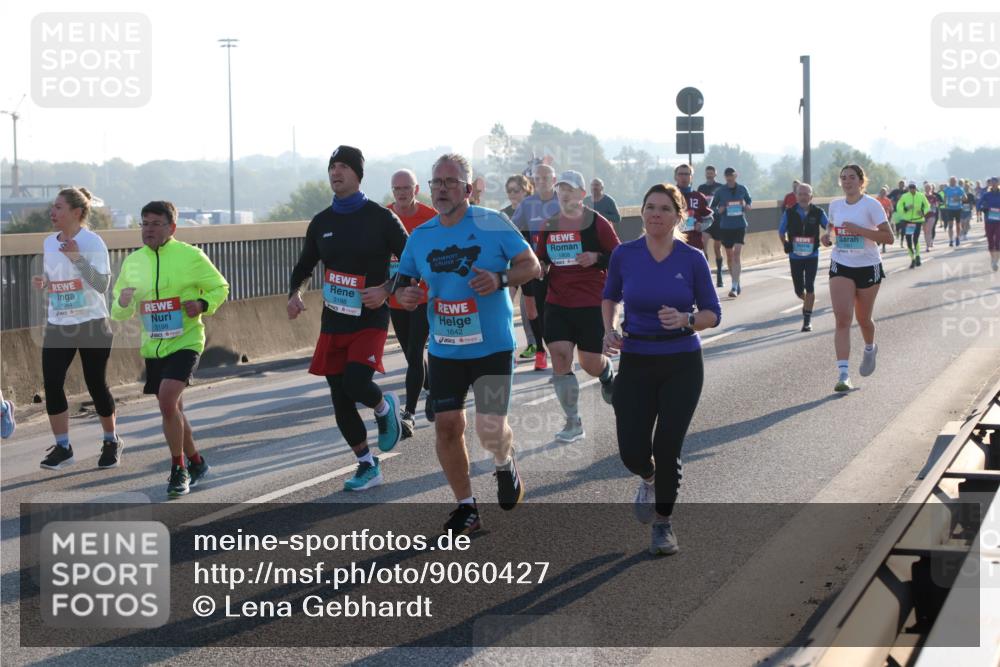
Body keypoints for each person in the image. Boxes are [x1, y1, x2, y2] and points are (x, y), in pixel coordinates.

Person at [393, 153, 541, 534]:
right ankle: (466, 507)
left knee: (489, 429)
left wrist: (500, 279)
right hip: (445, 348)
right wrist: (406, 296)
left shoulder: (493, 223)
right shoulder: (421, 236)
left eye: (450, 182)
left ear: (468, 189)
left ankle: (504, 461)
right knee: (447, 426)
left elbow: (532, 266)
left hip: (492, 348)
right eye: (436, 183)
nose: (442, 189)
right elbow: (403, 283)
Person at [602, 183, 721, 556]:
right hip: (636, 359)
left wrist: (687, 319)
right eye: (650, 207)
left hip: (682, 362)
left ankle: (663, 523)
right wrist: (609, 329)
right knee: (632, 452)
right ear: (642, 213)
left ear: (678, 216)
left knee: (667, 447)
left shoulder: (692, 258)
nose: (656, 213)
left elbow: (713, 313)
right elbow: (610, 296)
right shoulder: (625, 254)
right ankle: (649, 477)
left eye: (665, 208)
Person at [287, 145, 409, 493]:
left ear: (358, 174)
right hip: (334, 320)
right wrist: (295, 293)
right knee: (339, 397)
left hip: (370, 317)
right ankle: (367, 464)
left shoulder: (381, 218)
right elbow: (304, 265)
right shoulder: (322, 222)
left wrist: (386, 289)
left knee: (356, 384)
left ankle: (384, 408)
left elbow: (411, 258)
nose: (335, 172)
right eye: (332, 167)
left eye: (343, 166)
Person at [111, 200, 229, 496]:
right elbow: (119, 311)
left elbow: (220, 287)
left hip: (186, 341)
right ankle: (197, 462)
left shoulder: (190, 256)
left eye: (156, 224)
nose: (148, 229)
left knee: (166, 401)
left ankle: (179, 469)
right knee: (173, 409)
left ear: (172, 227)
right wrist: (122, 302)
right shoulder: (133, 262)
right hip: (154, 347)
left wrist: (202, 303)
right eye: (144, 224)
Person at [32, 187, 122, 471]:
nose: (52, 212)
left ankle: (111, 440)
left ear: (77, 212)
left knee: (96, 384)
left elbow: (102, 284)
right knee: (52, 384)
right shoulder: (49, 243)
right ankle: (63, 447)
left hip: (91, 323)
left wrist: (77, 258)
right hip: (59, 323)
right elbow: (60, 278)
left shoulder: (92, 242)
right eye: (53, 207)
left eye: (59, 207)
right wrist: (46, 282)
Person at [534, 170, 620, 442]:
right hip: (558, 302)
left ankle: (606, 374)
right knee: (560, 357)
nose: (564, 194)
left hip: (591, 302)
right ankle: (573, 422)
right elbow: (541, 259)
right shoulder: (550, 224)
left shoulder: (598, 223)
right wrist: (540, 267)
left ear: (582, 194)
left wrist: (597, 257)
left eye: (570, 190)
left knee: (590, 363)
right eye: (561, 189)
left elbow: (619, 257)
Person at [821, 165, 893, 392]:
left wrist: (859, 230)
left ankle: (870, 348)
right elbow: (831, 225)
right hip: (841, 263)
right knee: (842, 318)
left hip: (868, 266)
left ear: (861, 181)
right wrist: (826, 236)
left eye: (852, 177)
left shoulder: (872, 205)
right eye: (843, 178)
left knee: (863, 319)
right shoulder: (835, 205)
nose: (847, 181)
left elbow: (888, 237)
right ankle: (843, 375)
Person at [387, 169, 438, 433]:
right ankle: (432, 389)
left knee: (416, 351)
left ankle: (409, 413)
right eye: (397, 189)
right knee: (409, 354)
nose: (401, 193)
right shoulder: (385, 217)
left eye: (406, 188)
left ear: (416, 190)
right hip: (395, 297)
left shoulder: (430, 217)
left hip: (422, 295)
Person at [511, 163, 562, 371]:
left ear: (554, 180)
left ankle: (560, 349)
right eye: (538, 179)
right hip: (536, 263)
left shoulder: (563, 201)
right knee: (534, 309)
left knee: (557, 309)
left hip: (560, 264)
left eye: (546, 178)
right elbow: (513, 231)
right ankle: (540, 351)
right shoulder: (527, 204)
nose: (542, 182)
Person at [778, 183, 828, 332]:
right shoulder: (789, 212)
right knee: (799, 291)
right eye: (800, 194)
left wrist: (827, 236)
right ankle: (808, 301)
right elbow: (781, 231)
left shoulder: (818, 212)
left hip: (812, 255)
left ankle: (807, 320)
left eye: (806, 194)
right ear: (796, 196)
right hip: (795, 256)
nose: (803, 197)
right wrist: (785, 244)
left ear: (811, 196)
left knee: (810, 286)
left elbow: (829, 227)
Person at [502, 174, 539, 362]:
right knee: (504, 306)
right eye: (509, 191)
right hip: (509, 267)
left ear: (527, 191)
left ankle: (535, 344)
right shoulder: (503, 214)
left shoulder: (534, 211)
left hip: (528, 266)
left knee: (528, 309)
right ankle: (508, 346)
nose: (512, 194)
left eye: (516, 190)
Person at [712, 167, 753, 297]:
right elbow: (713, 206)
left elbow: (749, 202)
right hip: (726, 226)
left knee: (736, 254)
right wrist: (719, 209)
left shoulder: (742, 189)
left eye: (732, 175)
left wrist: (747, 206)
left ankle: (734, 286)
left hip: (740, 225)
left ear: (736, 176)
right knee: (729, 256)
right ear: (725, 177)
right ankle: (736, 281)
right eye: (727, 175)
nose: (729, 177)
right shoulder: (720, 191)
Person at [674, 163, 713, 255]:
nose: (684, 177)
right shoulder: (668, 196)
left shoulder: (699, 196)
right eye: (680, 174)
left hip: (694, 244)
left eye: (687, 174)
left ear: (691, 177)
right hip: (674, 244)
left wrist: (701, 226)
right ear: (675, 177)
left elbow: (709, 219)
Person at [698, 165, 725, 287]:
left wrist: (721, 209)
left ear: (715, 174)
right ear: (705, 174)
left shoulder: (720, 187)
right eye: (707, 173)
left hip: (718, 221)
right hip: (706, 220)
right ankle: (707, 273)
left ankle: (719, 273)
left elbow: (725, 201)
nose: (709, 175)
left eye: (711, 173)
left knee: (717, 248)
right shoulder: (701, 188)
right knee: (703, 245)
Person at [896, 181, 930, 269]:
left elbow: (927, 206)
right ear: (908, 188)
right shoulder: (904, 196)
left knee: (915, 238)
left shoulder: (921, 195)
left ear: (916, 187)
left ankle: (917, 255)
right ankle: (912, 259)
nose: (912, 189)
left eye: (913, 187)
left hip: (918, 220)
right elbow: (898, 207)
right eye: (910, 187)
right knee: (908, 240)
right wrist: (905, 208)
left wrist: (923, 212)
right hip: (908, 221)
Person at [978, 176, 1000, 271]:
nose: (994, 184)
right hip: (989, 220)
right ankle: (993, 258)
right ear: (990, 184)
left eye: (996, 182)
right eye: (992, 182)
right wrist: (983, 208)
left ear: (998, 183)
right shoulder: (986, 195)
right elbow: (978, 204)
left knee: (998, 241)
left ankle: (996, 261)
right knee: (990, 241)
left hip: (999, 221)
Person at [940, 176, 965, 248]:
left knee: (958, 225)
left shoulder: (959, 189)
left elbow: (965, 198)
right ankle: (951, 240)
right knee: (950, 225)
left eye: (954, 181)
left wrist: (958, 199)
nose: (952, 182)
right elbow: (945, 197)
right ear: (949, 181)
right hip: (950, 209)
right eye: (951, 181)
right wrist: (945, 205)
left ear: (956, 181)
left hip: (958, 209)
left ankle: (957, 237)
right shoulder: (947, 189)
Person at [876, 186, 894, 253]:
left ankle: (883, 247)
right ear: (880, 192)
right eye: (882, 192)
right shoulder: (876, 200)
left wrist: (890, 218)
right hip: (877, 219)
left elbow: (891, 210)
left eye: (884, 192)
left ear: (886, 193)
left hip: (885, 219)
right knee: (878, 233)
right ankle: (877, 244)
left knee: (885, 233)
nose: (883, 193)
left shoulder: (888, 200)